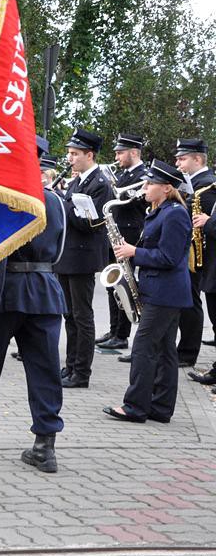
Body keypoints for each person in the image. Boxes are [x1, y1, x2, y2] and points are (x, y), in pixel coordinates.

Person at [0, 136, 67, 472]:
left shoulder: (2, 198)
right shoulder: (55, 200)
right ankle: (45, 444)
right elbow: (59, 250)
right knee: (46, 369)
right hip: (46, 290)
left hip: (7, 293)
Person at [104, 160, 191, 422]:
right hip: (162, 290)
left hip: (165, 293)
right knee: (164, 350)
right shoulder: (160, 210)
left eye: (150, 183)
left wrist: (135, 252)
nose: (145, 187)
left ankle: (135, 407)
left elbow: (170, 257)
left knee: (143, 347)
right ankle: (161, 408)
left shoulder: (174, 213)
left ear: (166, 188)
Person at [54, 128, 113, 388]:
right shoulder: (78, 182)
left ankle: (82, 372)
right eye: (69, 153)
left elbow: (91, 223)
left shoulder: (100, 184)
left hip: (82, 258)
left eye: (75, 154)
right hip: (68, 256)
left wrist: (60, 203)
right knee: (69, 315)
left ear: (89, 155)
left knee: (82, 316)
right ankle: (70, 366)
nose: (70, 159)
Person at [96, 134, 148, 353]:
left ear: (133, 152)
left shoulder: (143, 175)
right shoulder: (124, 173)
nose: (116, 156)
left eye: (120, 152)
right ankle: (114, 328)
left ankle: (122, 334)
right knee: (113, 285)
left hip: (129, 234)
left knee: (125, 283)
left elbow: (137, 205)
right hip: (115, 233)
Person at [171, 138, 215, 368]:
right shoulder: (191, 183)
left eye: (182, 158)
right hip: (190, 251)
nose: (178, 163)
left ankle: (188, 353)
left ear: (198, 159)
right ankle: (184, 350)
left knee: (191, 303)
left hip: (201, 255)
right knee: (187, 301)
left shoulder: (207, 185)